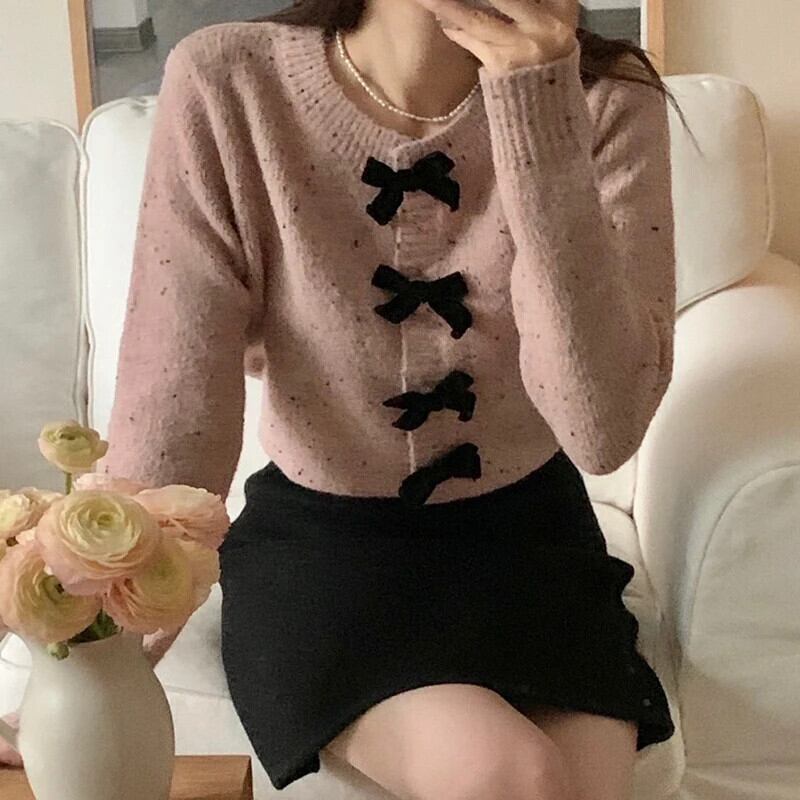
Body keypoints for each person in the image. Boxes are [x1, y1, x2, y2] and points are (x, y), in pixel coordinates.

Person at [4, 0, 692, 794]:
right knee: (513, 774)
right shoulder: (232, 81)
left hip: (533, 541)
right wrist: (87, 662)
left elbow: (602, 430)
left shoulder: (608, 96)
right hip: (326, 552)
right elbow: (175, 405)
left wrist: (539, 113)